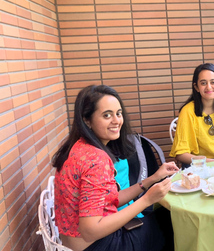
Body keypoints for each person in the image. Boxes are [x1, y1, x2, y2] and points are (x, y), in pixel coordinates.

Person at [51, 85, 179, 251]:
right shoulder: (96, 159)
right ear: (87, 120)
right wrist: (147, 199)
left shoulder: (78, 147)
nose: (116, 121)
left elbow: (108, 200)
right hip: (99, 245)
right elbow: (90, 231)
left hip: (77, 243)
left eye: (118, 113)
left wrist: (151, 180)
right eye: (107, 115)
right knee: (173, 222)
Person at [170, 63, 214, 165]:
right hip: (196, 167)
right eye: (203, 83)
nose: (209, 87)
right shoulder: (187, 111)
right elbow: (181, 154)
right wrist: (212, 162)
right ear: (196, 87)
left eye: (213, 82)